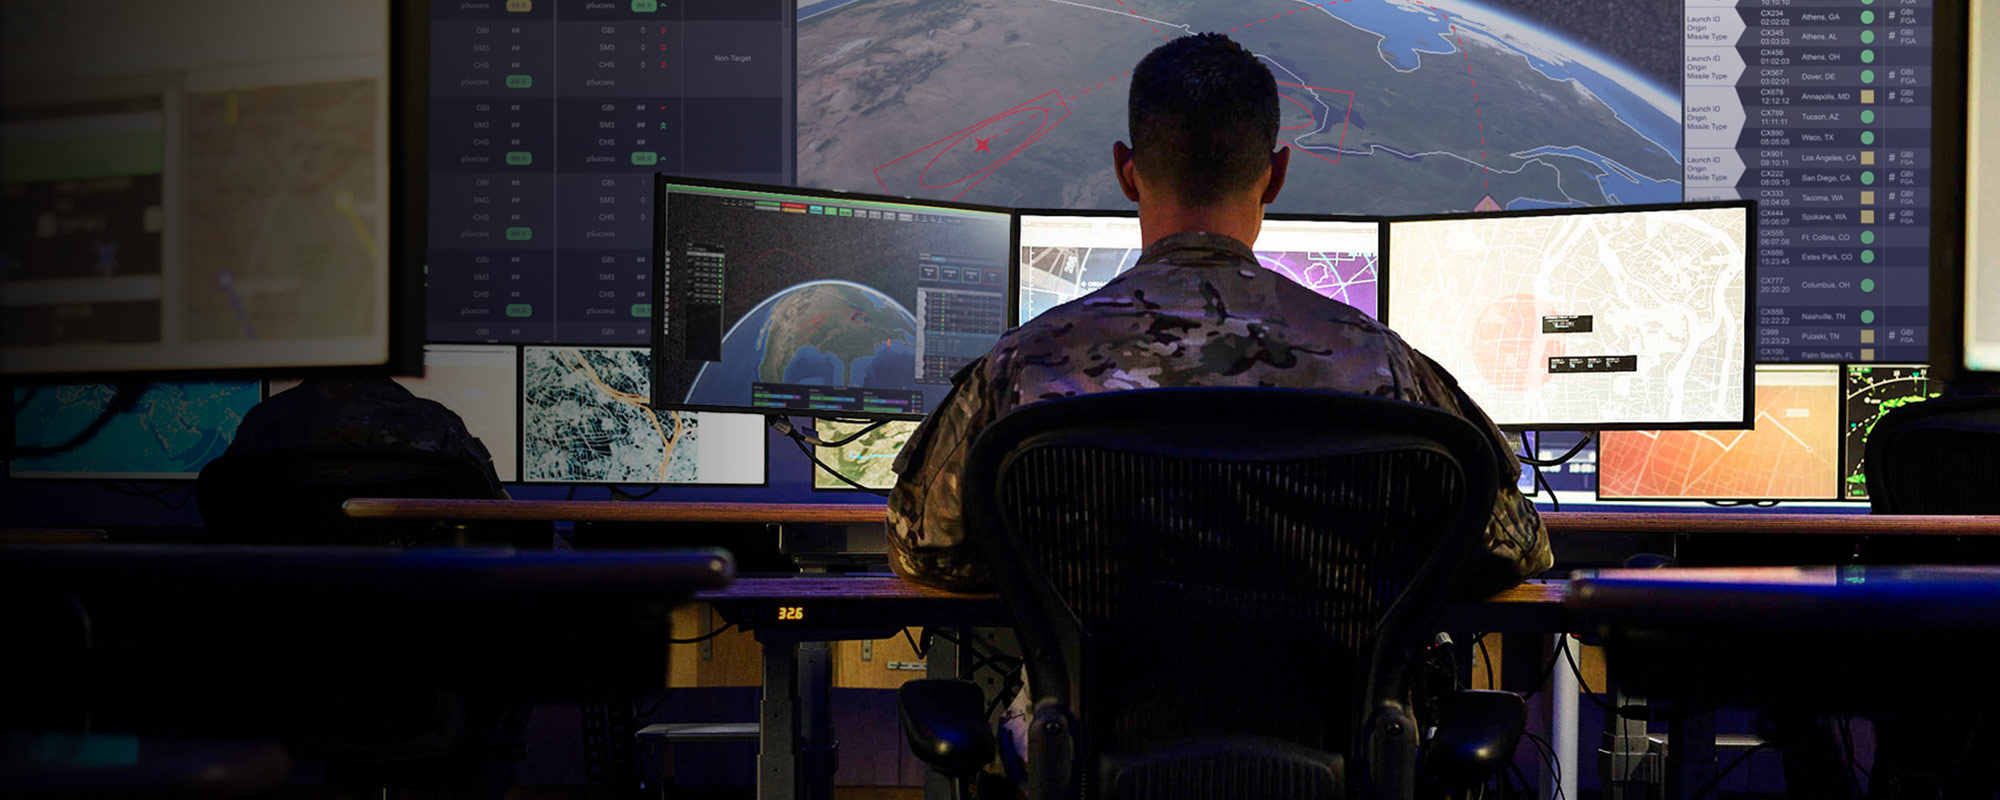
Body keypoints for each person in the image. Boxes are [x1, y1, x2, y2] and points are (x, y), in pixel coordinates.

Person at [887, 32, 1551, 599]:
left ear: (1125, 172)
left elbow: (922, 547)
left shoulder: (1024, 367)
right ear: (1276, 175)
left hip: (1093, 740)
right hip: (1331, 741)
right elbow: (1513, 547)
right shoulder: (1380, 362)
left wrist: (1056, 573)